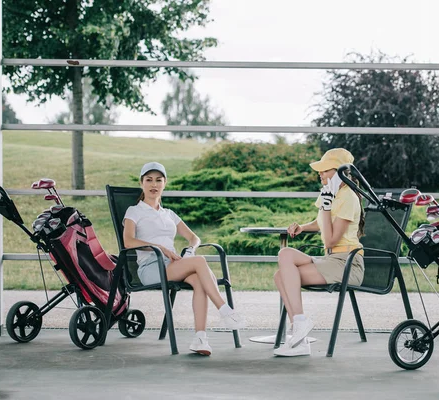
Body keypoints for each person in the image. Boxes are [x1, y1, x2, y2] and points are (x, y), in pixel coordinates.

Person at [123, 161, 246, 356]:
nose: (154, 184)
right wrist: (159, 248)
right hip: (151, 267)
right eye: (149, 180)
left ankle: (200, 339)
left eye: (158, 180)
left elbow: (194, 237)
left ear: (165, 183)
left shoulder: (169, 214)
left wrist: (191, 249)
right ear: (141, 183)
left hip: (173, 265)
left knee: (199, 281)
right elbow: (128, 242)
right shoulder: (134, 211)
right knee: (200, 261)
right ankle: (224, 309)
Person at [273, 148, 365, 357]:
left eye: (325, 170)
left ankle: (300, 331)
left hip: (348, 264)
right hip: (332, 260)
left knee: (283, 272)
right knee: (284, 259)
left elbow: (331, 238)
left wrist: (325, 205)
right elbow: (321, 223)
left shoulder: (348, 197)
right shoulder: (332, 193)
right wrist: (303, 227)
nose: (320, 174)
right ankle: (300, 329)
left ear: (340, 172)